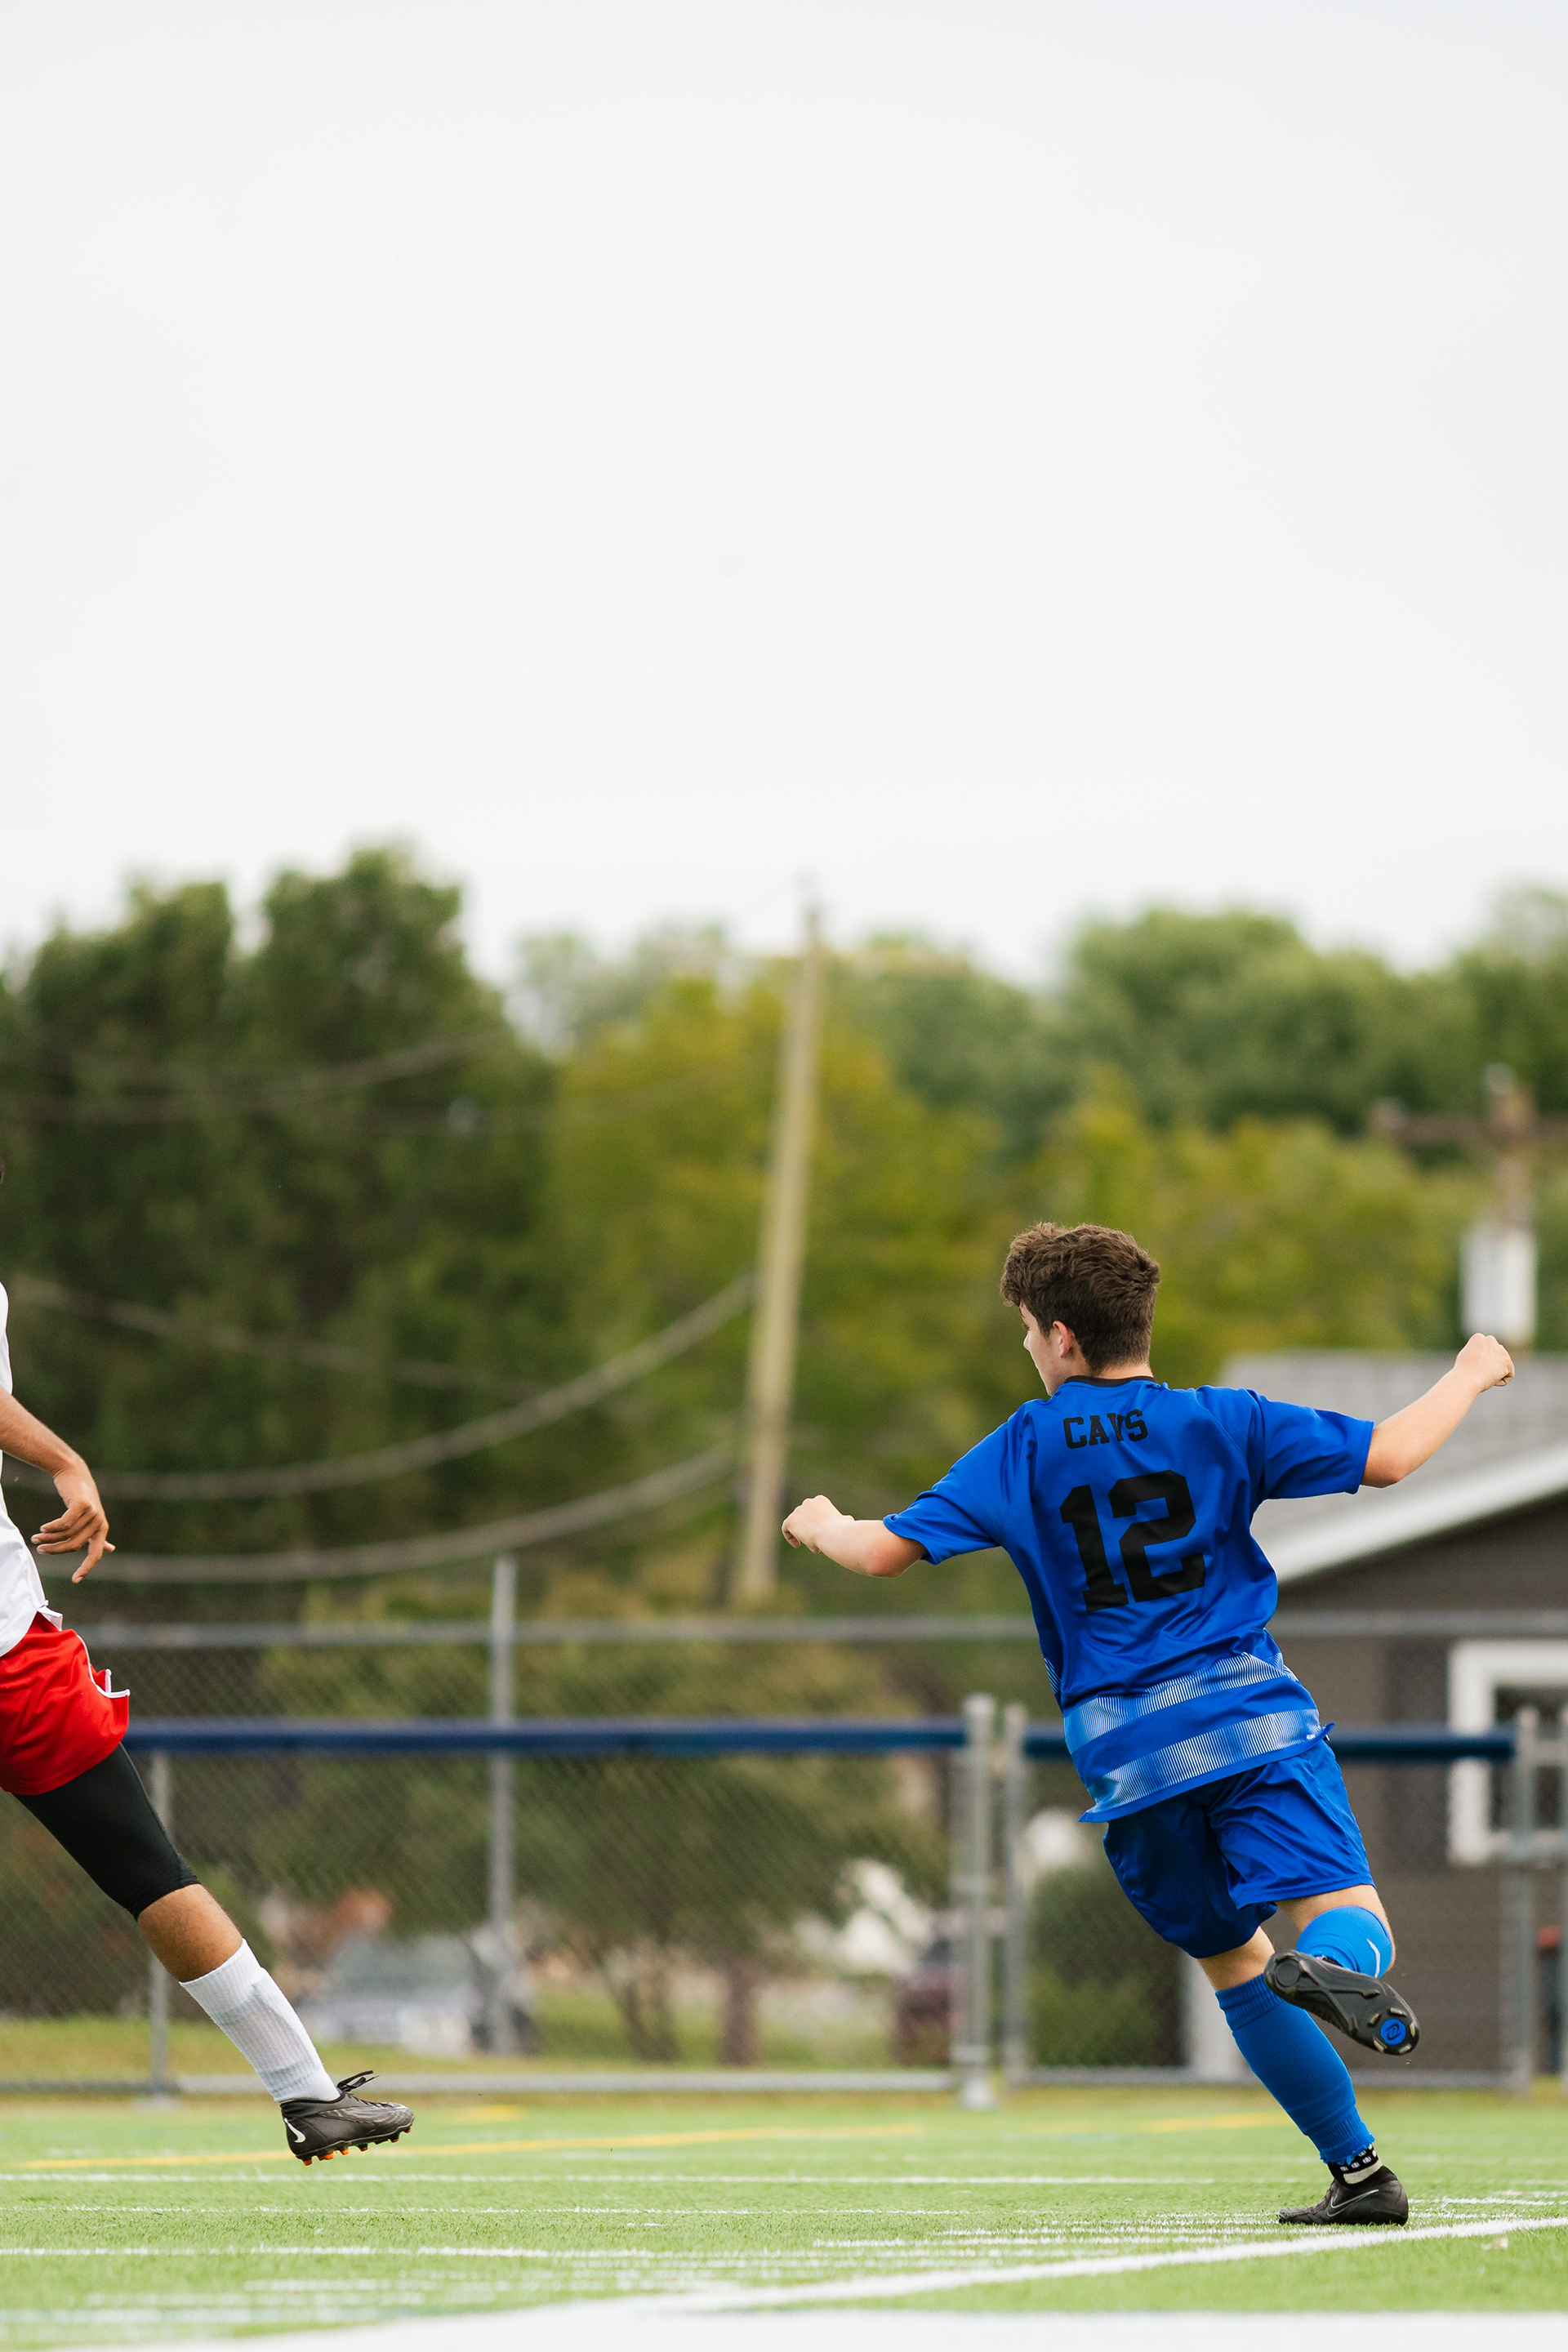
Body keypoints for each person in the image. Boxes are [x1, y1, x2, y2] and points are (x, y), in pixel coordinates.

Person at [783, 1220, 1516, 2228]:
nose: (1029, 1348)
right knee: (1348, 1921)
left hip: (1129, 1759)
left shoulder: (1022, 1446)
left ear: (1062, 1337)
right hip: (1248, 1725)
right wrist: (1471, 1372)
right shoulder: (1222, 1420)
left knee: (1237, 1968)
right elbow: (1389, 1456)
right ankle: (1340, 1970)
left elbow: (878, 1553)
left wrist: (822, 1522)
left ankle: (1360, 2174)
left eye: (1028, 1331)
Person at [0, 1258, 414, 2164]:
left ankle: (308, 2091)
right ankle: (304, 2091)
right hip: (7, 1661)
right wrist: (67, 1461)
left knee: (150, 1870)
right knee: (149, 1871)